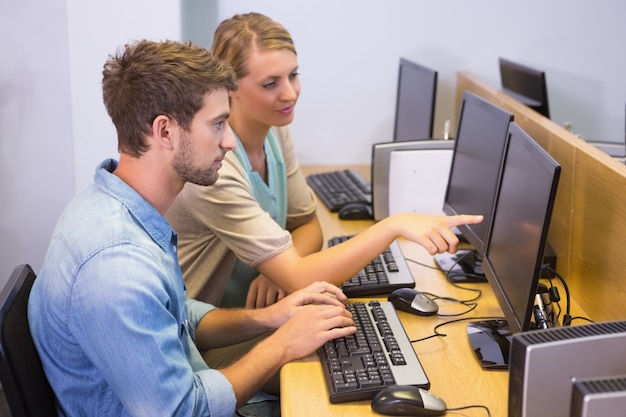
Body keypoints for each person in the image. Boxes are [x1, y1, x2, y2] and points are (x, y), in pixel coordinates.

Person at [27, 39, 357, 417]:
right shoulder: (116, 265)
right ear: (165, 131)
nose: (229, 141)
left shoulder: (114, 204)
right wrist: (281, 343)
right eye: (217, 124)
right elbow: (184, 412)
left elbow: (174, 316)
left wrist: (269, 317)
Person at [166, 11, 483, 308]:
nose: (290, 94)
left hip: (259, 311)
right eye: (270, 83)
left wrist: (277, 270)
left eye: (293, 75)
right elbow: (300, 275)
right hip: (208, 334)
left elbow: (307, 224)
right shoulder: (215, 168)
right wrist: (394, 225)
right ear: (230, 87)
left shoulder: (274, 133)